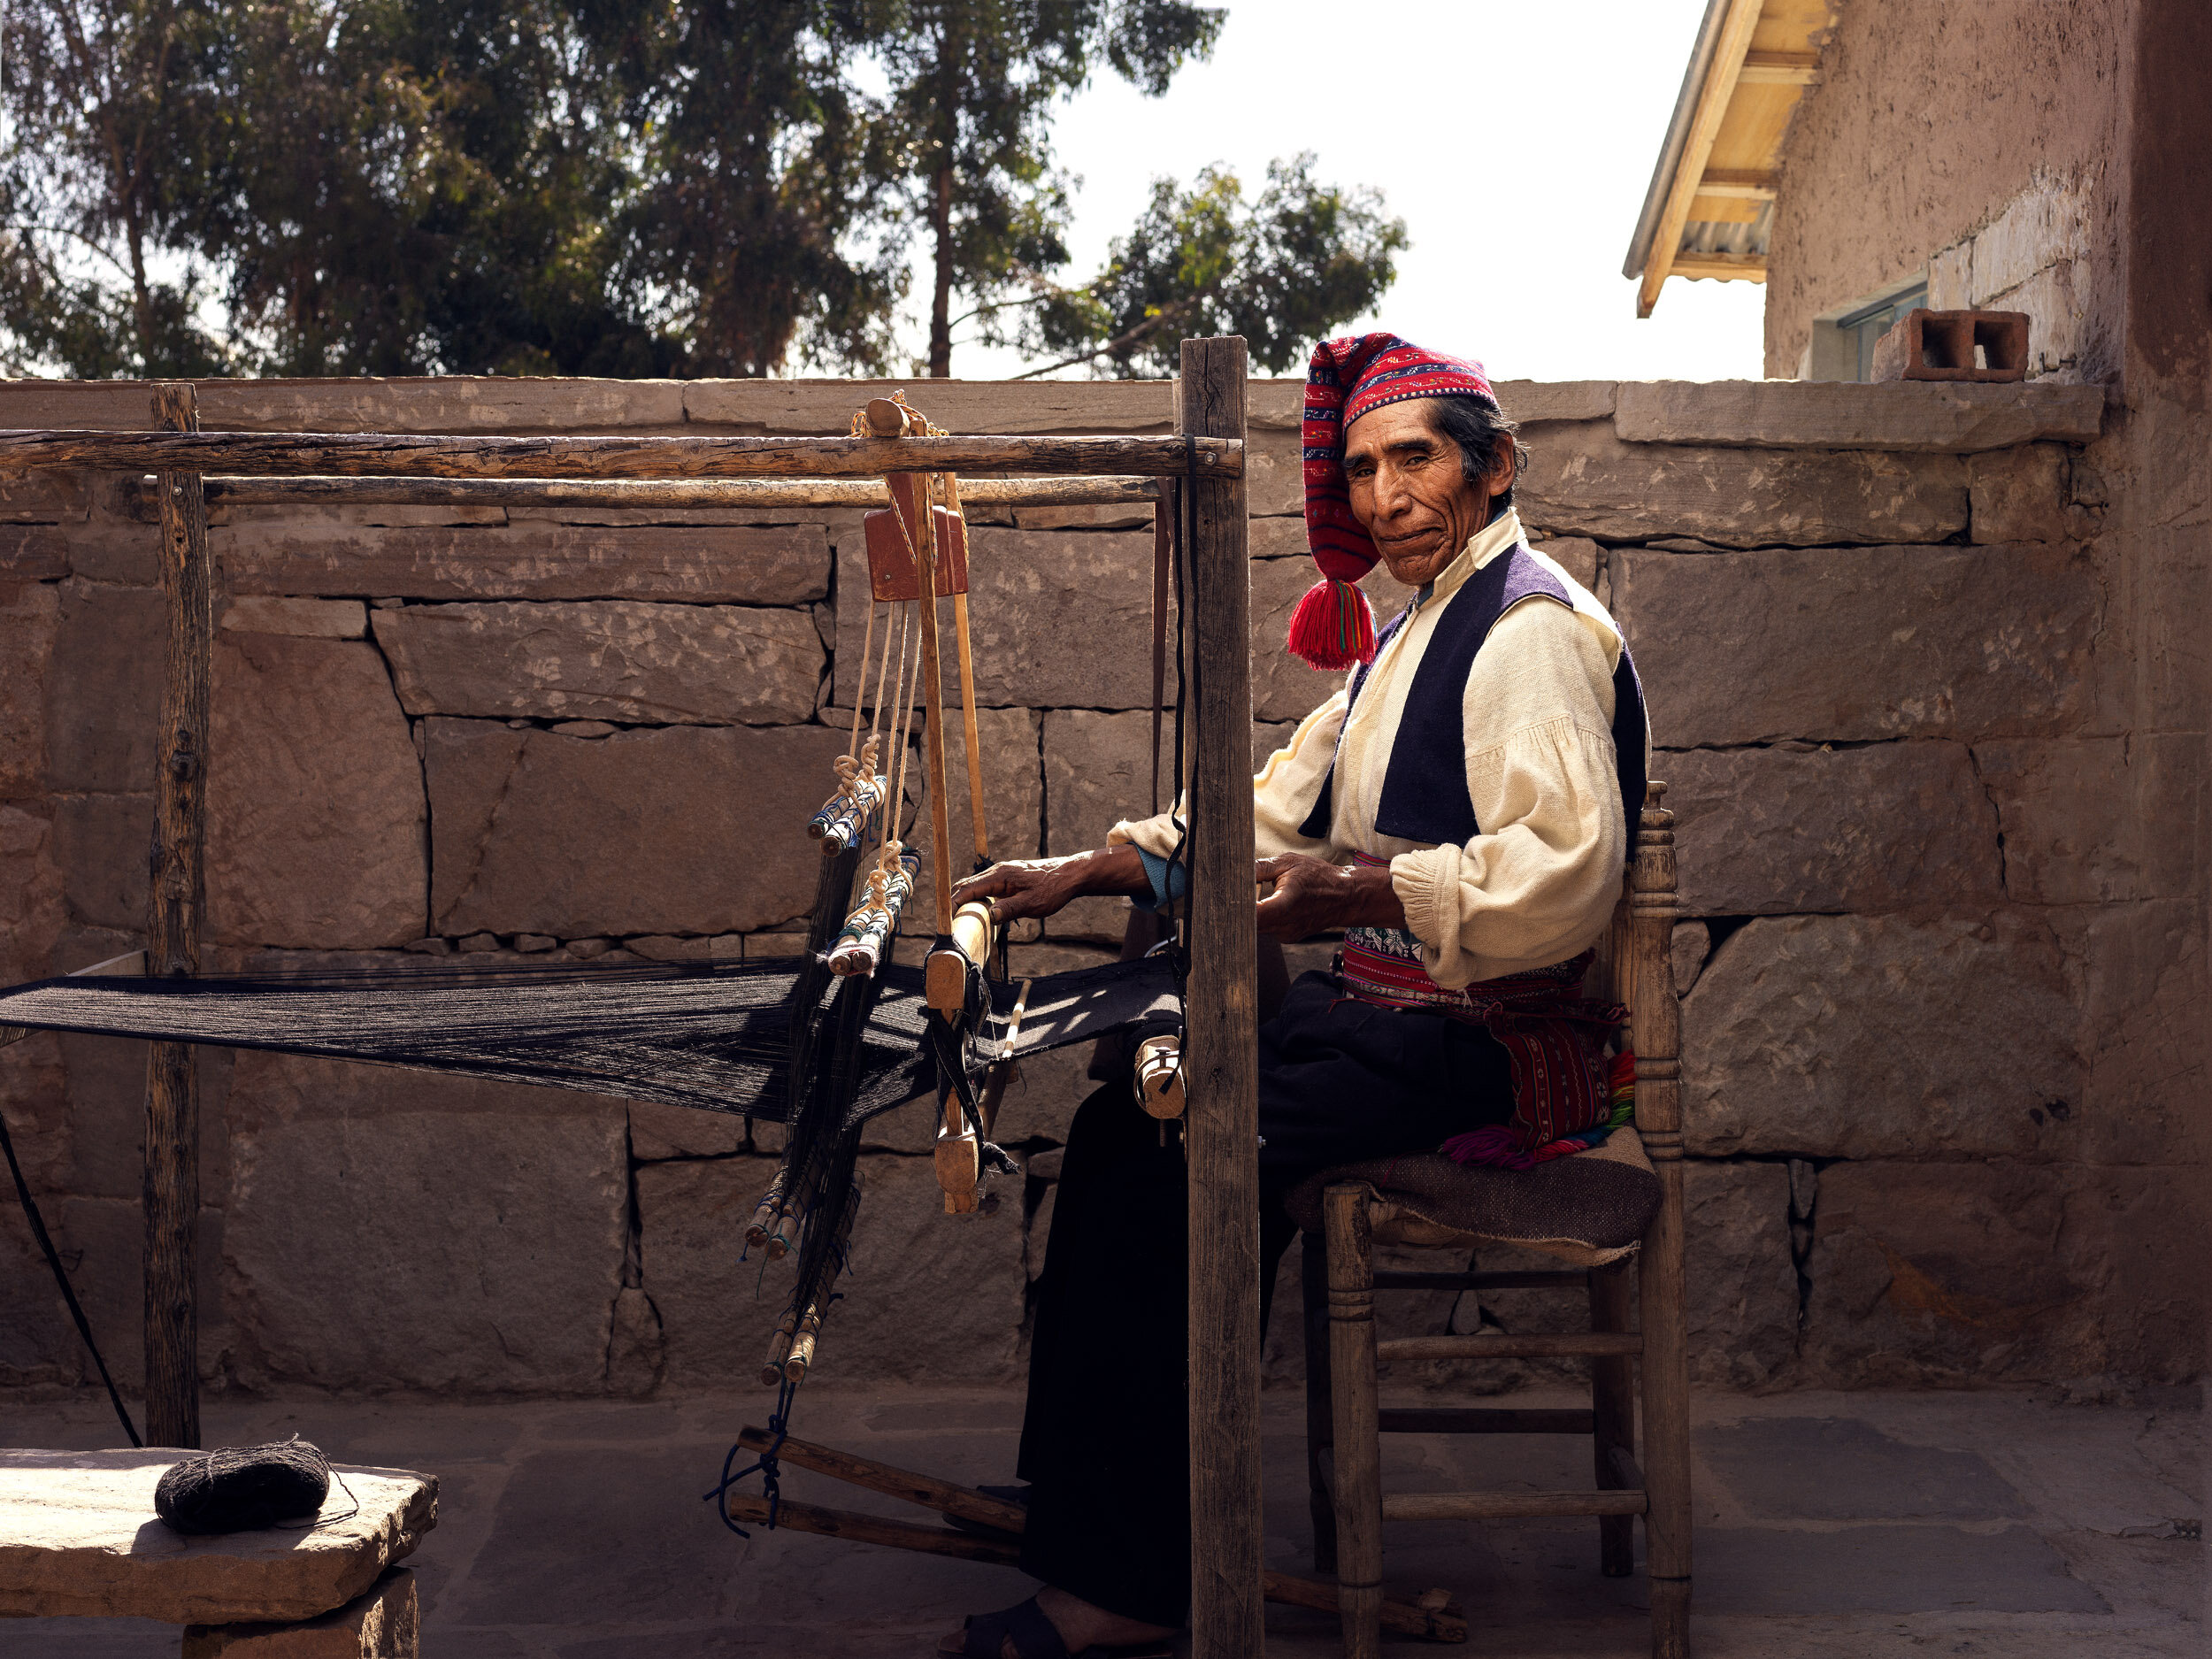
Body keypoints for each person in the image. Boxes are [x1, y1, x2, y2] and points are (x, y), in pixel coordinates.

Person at [940, 334, 1648, 1659]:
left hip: (1484, 1044)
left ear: (1494, 470)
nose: (1384, 495)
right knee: (1113, 1131)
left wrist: (1358, 898)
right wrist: (1084, 871)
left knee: (1182, 1162)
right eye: (1365, 468)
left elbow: (1567, 872)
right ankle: (1086, 1503)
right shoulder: (1407, 637)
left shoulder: (1532, 634)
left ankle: (1128, 1582)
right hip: (1387, 1016)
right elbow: (1262, 809)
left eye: (1416, 459)